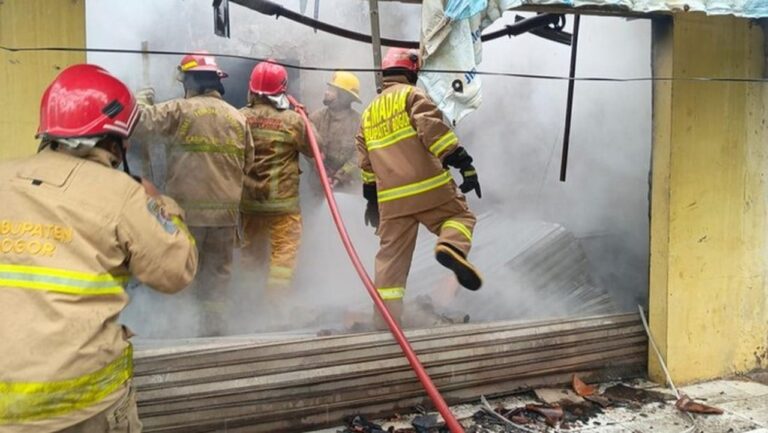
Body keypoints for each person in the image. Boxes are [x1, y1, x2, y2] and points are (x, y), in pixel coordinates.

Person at [0, 64, 198, 432]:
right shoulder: (123, 194)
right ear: (114, 139)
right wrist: (161, 205)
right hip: (80, 408)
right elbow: (176, 271)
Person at [356, 48, 483, 329]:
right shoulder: (412, 95)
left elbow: (365, 164)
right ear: (411, 72)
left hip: (391, 200)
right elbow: (432, 131)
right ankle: (450, 247)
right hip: (429, 188)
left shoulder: (367, 113)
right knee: (461, 219)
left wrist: (371, 201)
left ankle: (385, 320)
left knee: (390, 259)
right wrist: (462, 162)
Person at [133, 52, 253, 336]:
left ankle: (182, 333)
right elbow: (247, 163)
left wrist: (140, 100)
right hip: (225, 218)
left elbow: (139, 124)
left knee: (184, 273)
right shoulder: (238, 118)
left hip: (187, 216)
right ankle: (213, 333)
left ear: (191, 81)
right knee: (217, 279)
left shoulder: (179, 110)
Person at [239, 61, 315, 307]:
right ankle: (275, 306)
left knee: (252, 253)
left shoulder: (239, 117)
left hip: (249, 204)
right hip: (283, 206)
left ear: (251, 89)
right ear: (282, 90)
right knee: (283, 255)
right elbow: (316, 149)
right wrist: (306, 116)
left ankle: (249, 303)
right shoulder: (293, 120)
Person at [309, 71, 362, 191]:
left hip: (348, 188)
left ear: (344, 96)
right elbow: (307, 149)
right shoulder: (315, 118)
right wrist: (320, 168)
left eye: (331, 90)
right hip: (318, 187)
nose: (326, 92)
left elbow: (359, 155)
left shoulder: (358, 123)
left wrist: (341, 176)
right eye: (328, 88)